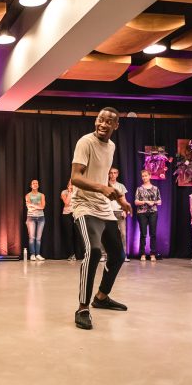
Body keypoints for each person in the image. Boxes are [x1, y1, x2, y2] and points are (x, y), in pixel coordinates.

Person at [70, 107, 132, 330]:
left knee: (117, 255)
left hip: (104, 207)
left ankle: (102, 297)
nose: (103, 124)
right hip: (84, 206)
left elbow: (102, 176)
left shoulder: (112, 146)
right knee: (94, 251)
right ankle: (83, 308)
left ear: (116, 126)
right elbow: (75, 178)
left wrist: (120, 199)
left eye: (109, 122)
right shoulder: (85, 142)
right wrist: (101, 188)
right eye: (100, 120)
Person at [134, 169, 160, 262]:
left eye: (146, 176)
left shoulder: (155, 188)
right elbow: (136, 202)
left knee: (153, 234)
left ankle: (153, 254)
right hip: (142, 213)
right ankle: (143, 254)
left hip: (153, 212)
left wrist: (153, 202)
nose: (144, 177)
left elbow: (160, 201)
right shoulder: (139, 189)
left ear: (150, 176)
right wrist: (145, 201)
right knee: (143, 234)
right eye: (143, 176)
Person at [108, 168, 129, 262]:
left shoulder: (121, 186)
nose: (113, 175)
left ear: (117, 174)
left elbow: (124, 200)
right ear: (108, 174)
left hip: (118, 212)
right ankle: (104, 254)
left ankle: (123, 255)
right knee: (106, 234)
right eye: (111, 173)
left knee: (123, 234)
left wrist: (125, 210)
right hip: (107, 212)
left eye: (115, 173)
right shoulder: (105, 185)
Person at [61, 180, 83, 261]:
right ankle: (71, 254)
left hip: (77, 214)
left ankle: (79, 254)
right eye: (70, 183)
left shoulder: (78, 192)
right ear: (68, 185)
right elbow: (66, 203)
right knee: (69, 235)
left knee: (78, 235)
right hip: (67, 215)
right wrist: (70, 192)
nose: (72, 185)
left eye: (74, 183)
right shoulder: (64, 192)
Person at [25, 179, 46, 260]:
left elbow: (42, 206)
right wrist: (38, 205)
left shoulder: (42, 195)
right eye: (33, 183)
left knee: (38, 238)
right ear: (31, 185)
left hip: (41, 217)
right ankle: (32, 254)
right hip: (31, 217)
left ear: (38, 185)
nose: (35, 184)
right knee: (32, 237)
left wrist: (33, 205)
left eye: (36, 183)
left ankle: (38, 254)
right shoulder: (28, 195)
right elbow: (28, 207)